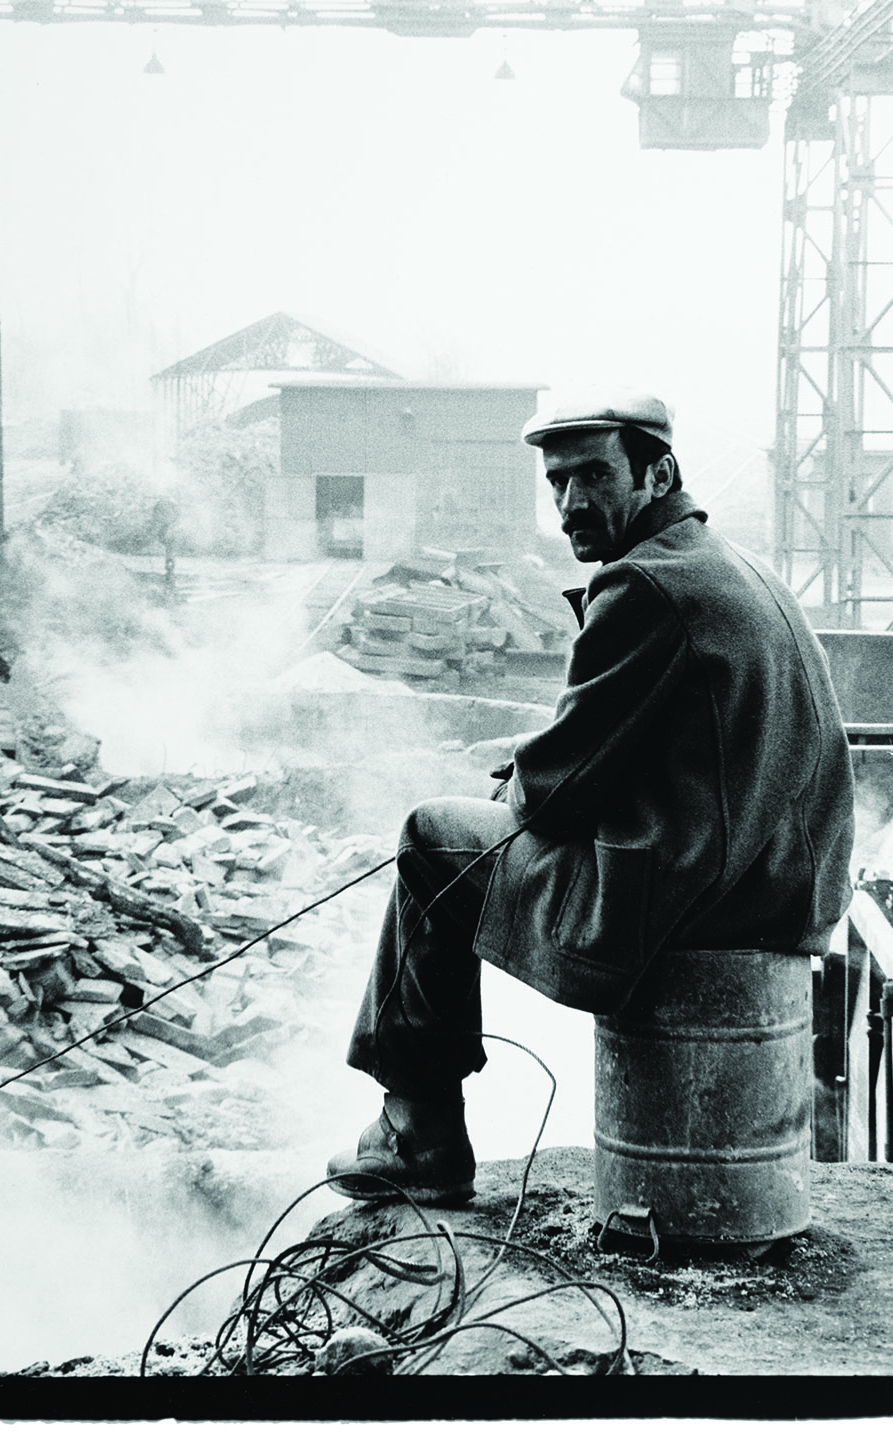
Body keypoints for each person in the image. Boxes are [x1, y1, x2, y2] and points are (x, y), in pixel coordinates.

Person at [327, 391, 856, 1205]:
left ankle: (416, 1132)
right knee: (471, 827)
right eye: (557, 482)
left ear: (657, 474)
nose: (571, 501)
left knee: (430, 837)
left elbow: (555, 797)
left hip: (699, 899)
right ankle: (417, 1128)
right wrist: (541, 769)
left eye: (593, 476)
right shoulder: (729, 563)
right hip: (777, 888)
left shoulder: (644, 584)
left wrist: (516, 777)